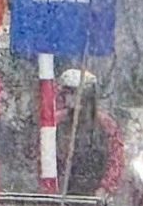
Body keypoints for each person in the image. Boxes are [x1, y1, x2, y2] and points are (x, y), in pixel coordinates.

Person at [52, 68, 124, 198]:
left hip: (94, 196)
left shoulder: (106, 125)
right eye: (66, 93)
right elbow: (43, 158)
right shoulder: (54, 123)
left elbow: (115, 161)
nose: (69, 98)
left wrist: (105, 188)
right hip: (60, 196)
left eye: (74, 93)